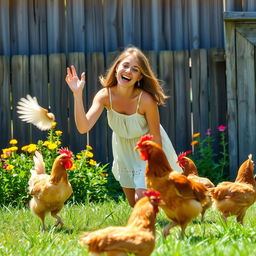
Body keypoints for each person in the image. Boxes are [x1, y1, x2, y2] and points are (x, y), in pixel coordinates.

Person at [66, 46, 182, 207]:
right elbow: (83, 127)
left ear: (140, 76)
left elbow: (156, 136)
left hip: (147, 150)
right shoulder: (104, 96)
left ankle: (169, 209)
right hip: (123, 149)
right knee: (134, 205)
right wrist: (77, 94)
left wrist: (155, 165)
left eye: (135, 69)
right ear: (116, 68)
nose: (128, 71)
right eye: (125, 66)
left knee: (141, 200)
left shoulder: (146, 100)